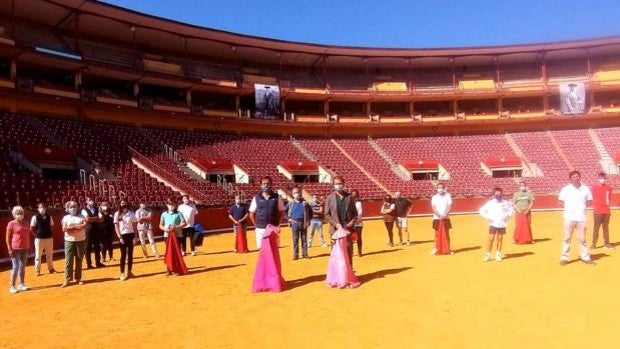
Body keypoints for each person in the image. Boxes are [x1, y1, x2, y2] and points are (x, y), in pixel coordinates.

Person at [559, 171, 595, 266]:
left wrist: (581, 208)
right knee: (567, 238)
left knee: (582, 239)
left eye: (577, 176)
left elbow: (589, 201)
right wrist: (570, 209)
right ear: (570, 179)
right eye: (574, 177)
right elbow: (560, 201)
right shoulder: (566, 189)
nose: (576, 178)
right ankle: (564, 258)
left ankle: (585, 257)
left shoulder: (585, 189)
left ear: (580, 177)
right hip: (569, 217)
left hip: (581, 218)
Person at [324, 176, 358, 267]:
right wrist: (336, 224)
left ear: (343, 184)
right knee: (336, 253)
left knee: (348, 251)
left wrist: (352, 222)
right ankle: (337, 275)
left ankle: (349, 273)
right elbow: (326, 214)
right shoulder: (330, 198)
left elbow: (355, 213)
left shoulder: (349, 197)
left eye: (340, 184)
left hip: (347, 229)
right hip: (335, 230)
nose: (338, 185)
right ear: (333, 185)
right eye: (336, 184)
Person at [249, 176, 284, 249]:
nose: (265, 185)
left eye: (267, 183)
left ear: (271, 184)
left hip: (273, 228)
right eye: (263, 183)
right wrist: (256, 225)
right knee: (261, 249)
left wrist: (278, 224)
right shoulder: (256, 198)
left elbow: (282, 212)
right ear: (261, 185)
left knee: (274, 249)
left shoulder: (277, 197)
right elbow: (251, 213)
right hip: (260, 228)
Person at [479, 188, 514, 262]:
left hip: (502, 223)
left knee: (500, 239)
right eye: (496, 193)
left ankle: (498, 254)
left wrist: (508, 216)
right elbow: (481, 210)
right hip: (493, 223)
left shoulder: (506, 202)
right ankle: (488, 254)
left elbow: (511, 209)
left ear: (502, 193)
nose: (498, 195)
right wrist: (488, 218)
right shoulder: (490, 203)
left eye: (499, 193)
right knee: (491, 239)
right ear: (494, 194)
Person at [60, 201, 87, 287]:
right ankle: (68, 279)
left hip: (80, 240)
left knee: (79, 259)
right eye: (71, 207)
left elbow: (83, 226)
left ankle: (78, 278)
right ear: (68, 208)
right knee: (68, 260)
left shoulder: (81, 216)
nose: (73, 208)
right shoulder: (65, 217)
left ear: (77, 207)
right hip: (69, 240)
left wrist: (70, 228)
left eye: (74, 206)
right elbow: (64, 229)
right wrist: (76, 228)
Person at [252, 224, 284, 293]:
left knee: (269, 256)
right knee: (269, 256)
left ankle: (267, 282)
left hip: (268, 229)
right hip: (263, 229)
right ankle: (271, 282)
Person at [159, 197, 187, 275]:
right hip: (167, 235)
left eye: (172, 204)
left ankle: (177, 268)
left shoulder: (179, 213)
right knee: (168, 251)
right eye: (169, 204)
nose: (170, 206)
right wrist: (165, 229)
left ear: (175, 205)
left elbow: (184, 223)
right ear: (167, 205)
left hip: (177, 235)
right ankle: (169, 269)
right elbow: (160, 225)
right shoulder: (164, 214)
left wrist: (176, 227)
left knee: (177, 251)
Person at [6, 206, 30, 293]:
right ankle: (12, 286)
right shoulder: (11, 224)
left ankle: (21, 284)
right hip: (15, 249)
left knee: (22, 267)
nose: (20, 215)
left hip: (25, 248)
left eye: (21, 213)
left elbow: (27, 236)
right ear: (14, 214)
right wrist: (9, 249)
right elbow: (7, 238)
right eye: (18, 213)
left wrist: (28, 247)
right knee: (15, 267)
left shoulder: (26, 223)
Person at [284, 186, 312, 260]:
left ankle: (305, 254)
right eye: (295, 193)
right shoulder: (290, 203)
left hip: (303, 222)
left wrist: (308, 220)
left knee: (304, 239)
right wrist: (288, 218)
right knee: (295, 239)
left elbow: (310, 212)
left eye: (298, 192)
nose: (297, 194)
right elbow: (284, 212)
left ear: (300, 193)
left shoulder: (305, 203)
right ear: (292, 194)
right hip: (295, 223)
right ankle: (296, 255)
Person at [114, 200, 138, 280]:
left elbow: (134, 227)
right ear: (119, 205)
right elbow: (116, 227)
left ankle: (129, 271)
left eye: (124, 203)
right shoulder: (117, 214)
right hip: (122, 235)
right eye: (121, 203)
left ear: (127, 204)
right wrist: (119, 237)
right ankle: (122, 273)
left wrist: (135, 237)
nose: (123, 204)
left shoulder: (131, 213)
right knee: (123, 255)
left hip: (130, 235)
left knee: (130, 255)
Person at [30, 202, 56, 275]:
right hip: (39, 239)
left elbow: (52, 226)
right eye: (40, 207)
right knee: (38, 255)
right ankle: (37, 270)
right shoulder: (35, 217)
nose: (42, 209)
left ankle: (51, 269)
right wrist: (36, 235)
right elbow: (31, 228)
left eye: (43, 207)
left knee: (49, 254)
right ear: (38, 209)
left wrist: (50, 233)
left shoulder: (49, 217)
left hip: (49, 238)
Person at [590, 172, 613, 249]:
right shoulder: (594, 187)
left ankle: (607, 243)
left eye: (603, 178)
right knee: (596, 228)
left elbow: (608, 198)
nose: (602, 179)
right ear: (598, 179)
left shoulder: (609, 188)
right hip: (598, 211)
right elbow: (592, 197)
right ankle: (594, 244)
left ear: (605, 179)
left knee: (606, 228)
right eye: (600, 178)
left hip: (606, 211)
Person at [430, 183, 453, 255]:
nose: (440, 189)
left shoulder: (448, 196)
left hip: (446, 218)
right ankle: (436, 248)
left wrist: (445, 215)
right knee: (436, 234)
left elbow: (449, 206)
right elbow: (433, 208)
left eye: (442, 187)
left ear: (444, 188)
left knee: (447, 234)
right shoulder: (434, 197)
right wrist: (439, 216)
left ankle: (448, 248)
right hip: (437, 218)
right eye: (439, 187)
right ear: (437, 188)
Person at [82, 197, 104, 269]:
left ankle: (98, 262)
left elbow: (102, 219)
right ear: (86, 202)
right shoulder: (84, 210)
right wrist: (97, 218)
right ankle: (89, 264)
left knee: (97, 246)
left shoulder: (97, 209)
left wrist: (92, 219)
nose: (91, 201)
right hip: (88, 230)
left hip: (96, 230)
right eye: (89, 200)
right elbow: (87, 219)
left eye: (91, 200)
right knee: (88, 247)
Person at [351, 189, 364, 257]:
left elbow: (360, 213)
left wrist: (356, 221)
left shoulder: (359, 203)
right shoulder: (349, 202)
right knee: (351, 238)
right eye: (353, 194)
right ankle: (352, 252)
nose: (354, 196)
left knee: (358, 237)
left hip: (358, 222)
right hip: (351, 223)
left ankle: (359, 251)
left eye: (355, 195)